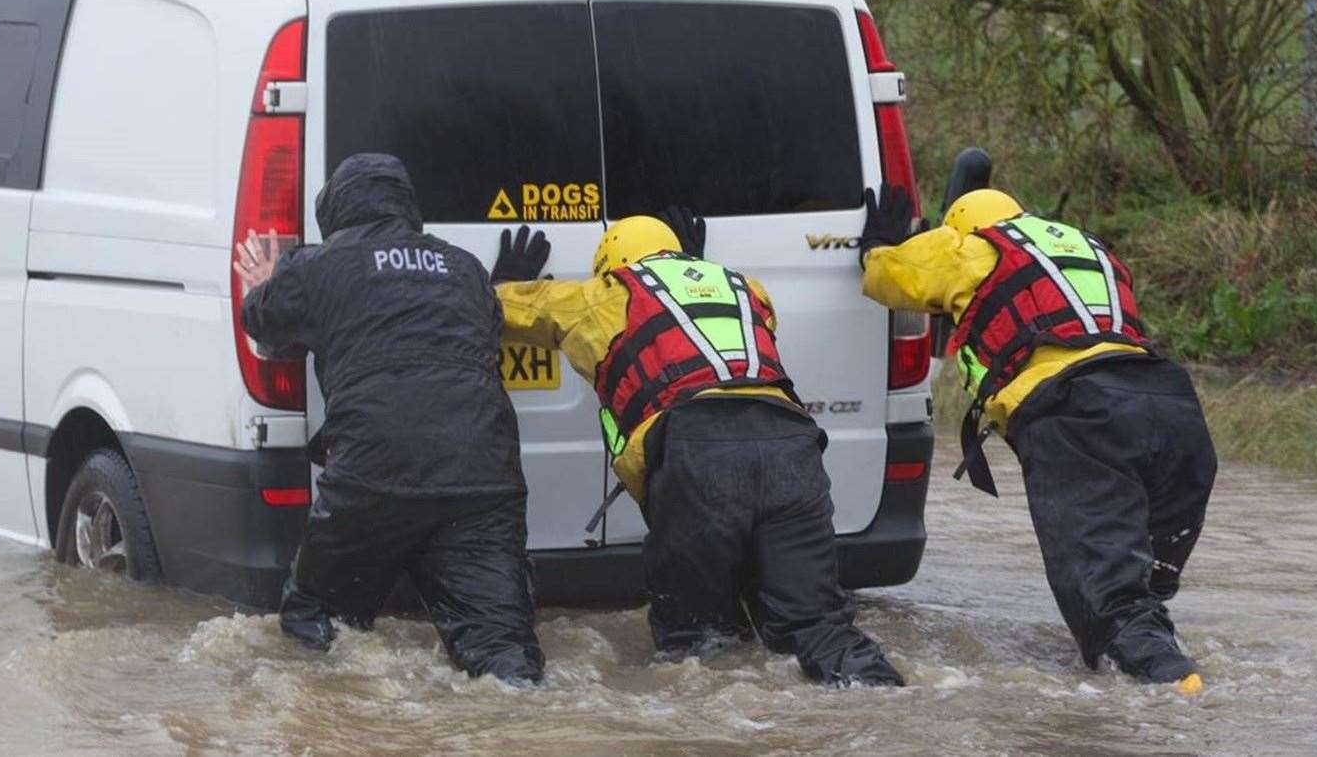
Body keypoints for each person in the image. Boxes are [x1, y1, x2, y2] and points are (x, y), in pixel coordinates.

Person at [488, 212, 903, 687]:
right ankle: (882, 696)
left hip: (700, 454)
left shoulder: (599, 295)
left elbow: (499, 308)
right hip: (792, 445)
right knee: (817, 626)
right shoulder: (746, 287)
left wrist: (506, 280)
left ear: (611, 265)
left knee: (695, 645)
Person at [858, 185, 1215, 694]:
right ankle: (1154, 671)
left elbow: (888, 277)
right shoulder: (1089, 248)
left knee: (1109, 604)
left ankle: (1177, 697)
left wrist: (877, 242)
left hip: (1079, 416)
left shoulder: (974, 247)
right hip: (1170, 404)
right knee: (1144, 584)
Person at [234, 153, 544, 685]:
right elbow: (479, 330)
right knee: (503, 657)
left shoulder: (320, 265)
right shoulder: (465, 268)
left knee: (318, 623)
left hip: (375, 475)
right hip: (482, 476)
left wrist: (269, 279)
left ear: (335, 212)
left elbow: (261, 321)